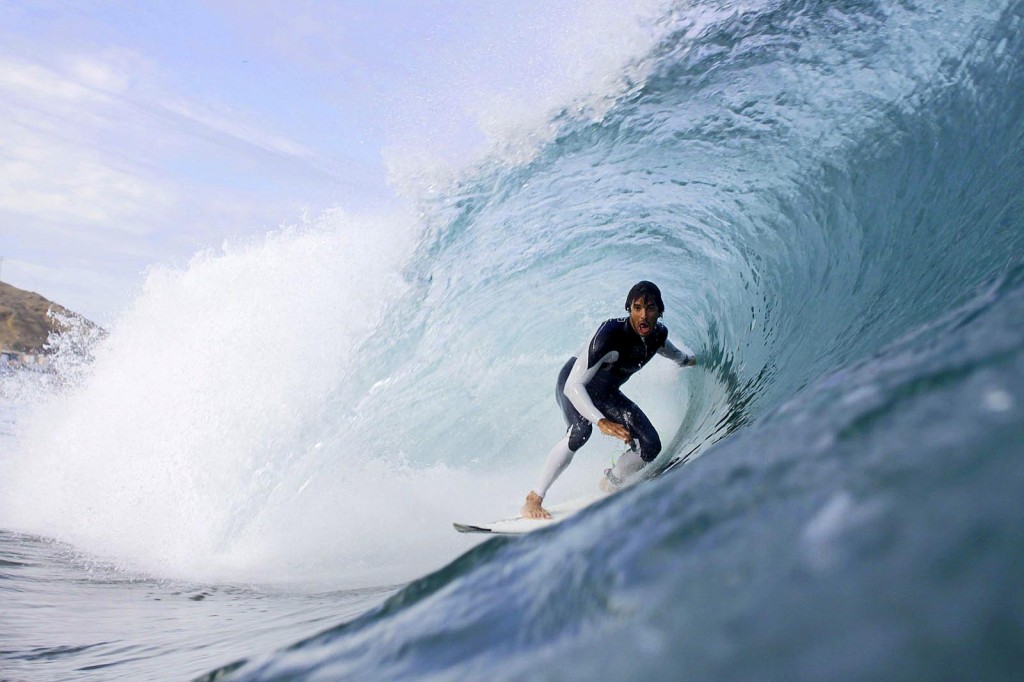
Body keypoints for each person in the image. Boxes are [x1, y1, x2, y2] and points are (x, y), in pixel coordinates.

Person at [521, 281, 697, 520]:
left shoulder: (657, 337)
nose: (643, 315)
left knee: (650, 445)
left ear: (659, 311)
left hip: (605, 393)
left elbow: (673, 353)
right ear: (629, 309)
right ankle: (534, 499)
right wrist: (601, 421)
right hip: (573, 384)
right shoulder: (609, 336)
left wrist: (690, 360)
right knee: (580, 431)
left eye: (650, 308)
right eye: (637, 308)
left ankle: (612, 480)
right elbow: (574, 386)